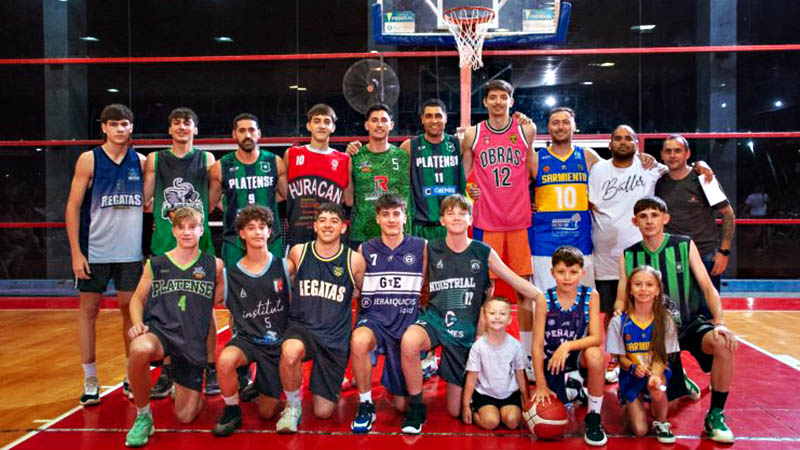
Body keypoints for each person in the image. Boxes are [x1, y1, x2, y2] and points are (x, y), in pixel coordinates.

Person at [398, 194, 541, 434]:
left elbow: (513, 279)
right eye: (450, 213)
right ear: (442, 220)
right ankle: (417, 405)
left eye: (462, 213)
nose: (456, 217)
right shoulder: (430, 248)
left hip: (467, 330)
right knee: (409, 342)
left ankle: (480, 397)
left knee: (454, 410)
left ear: (471, 219)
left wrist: (539, 296)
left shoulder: (483, 252)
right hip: (435, 320)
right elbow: (415, 283)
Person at [614, 196, 738, 443]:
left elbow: (707, 286)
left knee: (723, 343)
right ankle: (679, 380)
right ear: (635, 222)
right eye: (643, 216)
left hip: (688, 325)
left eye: (655, 215)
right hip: (653, 336)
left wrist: (720, 322)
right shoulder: (628, 256)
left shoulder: (684, 245)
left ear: (665, 218)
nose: (649, 221)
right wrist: (619, 314)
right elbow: (620, 298)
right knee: (655, 412)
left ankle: (715, 414)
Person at [65, 103, 145, 405]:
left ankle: (129, 375)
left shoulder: (141, 162)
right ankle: (90, 379)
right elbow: (72, 207)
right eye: (114, 124)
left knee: (129, 310)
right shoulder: (89, 160)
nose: (120, 129)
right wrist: (76, 253)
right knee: (89, 310)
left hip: (130, 252)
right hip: (94, 250)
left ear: (131, 127)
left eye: (124, 124)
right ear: (104, 127)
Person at [124, 207, 224, 447]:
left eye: (192, 227)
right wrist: (138, 324)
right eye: (181, 227)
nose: (187, 232)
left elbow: (216, 303)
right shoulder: (156, 264)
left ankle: (185, 385)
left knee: (185, 416)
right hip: (161, 333)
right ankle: (143, 416)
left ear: (202, 230)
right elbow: (136, 299)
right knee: (139, 348)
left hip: (191, 343)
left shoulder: (215, 265)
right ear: (174, 231)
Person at [460, 80, 538, 375]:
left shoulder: (526, 130)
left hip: (519, 221)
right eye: (492, 97)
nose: (497, 102)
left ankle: (527, 354)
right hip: (487, 222)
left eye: (503, 97)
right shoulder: (473, 134)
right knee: (487, 291)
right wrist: (470, 192)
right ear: (485, 102)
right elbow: (464, 176)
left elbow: (533, 171)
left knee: (524, 290)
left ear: (511, 101)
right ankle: (482, 353)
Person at [143, 107, 220, 398]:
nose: (182, 127)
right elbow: (145, 199)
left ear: (195, 129)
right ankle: (167, 371)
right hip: (165, 242)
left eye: (187, 123)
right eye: (176, 123)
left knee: (206, 309)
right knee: (165, 312)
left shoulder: (206, 159)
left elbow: (212, 201)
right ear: (170, 129)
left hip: (199, 243)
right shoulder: (156, 159)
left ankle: (210, 368)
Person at [275, 203, 367, 433]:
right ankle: (292, 406)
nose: (327, 225)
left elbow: (364, 296)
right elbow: (279, 281)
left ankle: (329, 378)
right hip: (302, 329)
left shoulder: (354, 260)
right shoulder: (299, 252)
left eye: (334, 221)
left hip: (334, 339)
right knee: (290, 352)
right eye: (323, 220)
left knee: (323, 412)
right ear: (315, 226)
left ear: (343, 228)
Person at [212, 205, 292, 436]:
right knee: (225, 360)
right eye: (251, 227)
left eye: (262, 227)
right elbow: (204, 303)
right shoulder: (229, 275)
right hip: (246, 341)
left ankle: (262, 385)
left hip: (276, 345)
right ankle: (232, 410)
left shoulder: (285, 267)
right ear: (242, 233)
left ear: (269, 232)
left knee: (267, 412)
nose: (257, 232)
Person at [350, 193, 426, 433]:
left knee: (402, 405)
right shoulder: (365, 249)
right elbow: (358, 291)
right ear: (377, 219)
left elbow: (427, 287)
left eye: (396, 214)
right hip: (375, 321)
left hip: (405, 324)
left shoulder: (421, 247)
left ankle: (404, 381)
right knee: (359, 340)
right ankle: (365, 404)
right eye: (385, 214)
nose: (391, 219)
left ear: (405, 217)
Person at [530, 246, 606, 446]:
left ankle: (594, 416)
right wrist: (540, 384)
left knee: (596, 355)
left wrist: (567, 347)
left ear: (582, 272)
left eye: (573, 272)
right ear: (552, 272)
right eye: (561, 271)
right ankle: (574, 389)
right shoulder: (544, 299)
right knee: (556, 417)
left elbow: (597, 338)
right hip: (553, 362)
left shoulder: (591, 296)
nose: (567, 277)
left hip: (577, 358)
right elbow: (537, 346)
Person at [606, 266, 678, 444]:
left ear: (658, 290)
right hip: (631, 375)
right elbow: (619, 358)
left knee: (657, 386)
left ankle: (661, 422)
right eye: (638, 284)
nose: (643, 289)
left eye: (649, 285)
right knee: (640, 430)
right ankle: (627, 398)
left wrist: (655, 374)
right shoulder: (619, 321)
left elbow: (663, 357)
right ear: (630, 289)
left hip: (655, 372)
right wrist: (633, 367)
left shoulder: (665, 320)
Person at [655, 135, 736, 291]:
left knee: (708, 305)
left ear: (687, 153)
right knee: (675, 305)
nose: (672, 155)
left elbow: (728, 214)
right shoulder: (660, 182)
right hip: (671, 256)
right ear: (662, 155)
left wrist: (724, 252)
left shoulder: (704, 178)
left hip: (705, 255)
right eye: (668, 151)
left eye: (677, 151)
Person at [209, 113, 287, 263]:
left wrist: (263, 200)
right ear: (234, 134)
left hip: (270, 239)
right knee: (233, 279)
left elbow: (285, 195)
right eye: (242, 131)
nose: (247, 135)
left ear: (259, 133)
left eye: (251, 130)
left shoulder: (275, 162)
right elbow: (212, 203)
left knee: (275, 279)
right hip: (234, 241)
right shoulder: (220, 166)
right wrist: (232, 206)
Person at [284, 104, 353, 248]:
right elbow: (282, 193)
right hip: (298, 231)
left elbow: (349, 200)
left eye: (327, 122)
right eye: (317, 121)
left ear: (333, 127)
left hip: (330, 233)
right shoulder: (292, 154)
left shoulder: (344, 159)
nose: (322, 126)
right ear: (308, 126)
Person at [349, 104, 411, 248]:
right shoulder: (355, 156)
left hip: (396, 232)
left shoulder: (402, 156)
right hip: (362, 232)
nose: (379, 124)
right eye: (374, 120)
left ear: (391, 125)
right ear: (366, 125)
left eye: (384, 120)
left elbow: (407, 195)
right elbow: (348, 197)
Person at [461, 297, 528, 430]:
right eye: (492, 313)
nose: (497, 317)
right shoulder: (478, 347)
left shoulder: (515, 345)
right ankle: (476, 412)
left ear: (509, 319)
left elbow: (520, 374)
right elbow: (471, 377)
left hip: (509, 393)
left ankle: (503, 413)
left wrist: (526, 402)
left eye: (502, 314)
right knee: (491, 422)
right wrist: (465, 405)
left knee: (513, 422)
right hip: (485, 394)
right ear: (484, 317)